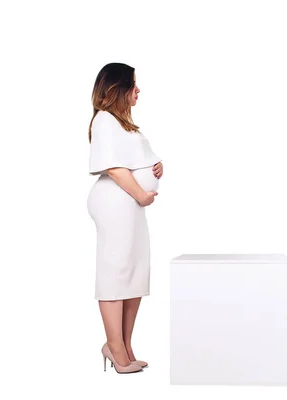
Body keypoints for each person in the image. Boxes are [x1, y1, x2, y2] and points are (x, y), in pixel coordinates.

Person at [87, 62, 164, 374]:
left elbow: (135, 160)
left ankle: (126, 346)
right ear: (117, 88)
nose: (138, 90)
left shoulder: (124, 123)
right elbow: (115, 169)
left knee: (134, 271)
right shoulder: (104, 120)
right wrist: (142, 194)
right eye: (134, 84)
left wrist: (156, 166)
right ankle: (114, 347)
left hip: (130, 203)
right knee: (116, 271)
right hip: (118, 202)